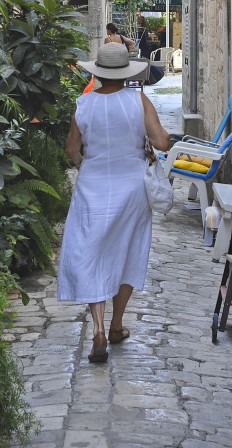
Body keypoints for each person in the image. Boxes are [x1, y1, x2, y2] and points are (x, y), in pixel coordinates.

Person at [56, 42, 170, 364]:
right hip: (132, 188)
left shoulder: (83, 104)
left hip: (93, 187)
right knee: (128, 251)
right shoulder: (139, 100)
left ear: (99, 74)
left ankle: (98, 330)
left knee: (92, 252)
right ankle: (118, 324)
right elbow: (161, 141)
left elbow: (71, 149)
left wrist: (86, 165)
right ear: (125, 73)